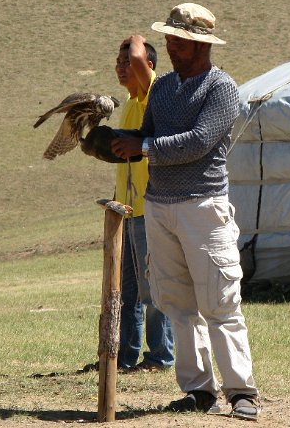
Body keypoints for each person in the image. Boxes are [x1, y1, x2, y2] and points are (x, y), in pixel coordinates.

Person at [111, 3, 260, 420]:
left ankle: (241, 392)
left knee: (220, 302)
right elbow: (147, 135)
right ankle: (198, 390)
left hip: (203, 207)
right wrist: (114, 140)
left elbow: (198, 141)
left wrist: (142, 147)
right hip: (159, 206)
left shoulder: (221, 89)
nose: (173, 47)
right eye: (171, 39)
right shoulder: (161, 89)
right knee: (176, 302)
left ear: (202, 44)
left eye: (182, 41)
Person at [114, 35, 175, 373]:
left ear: (147, 66)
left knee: (153, 290)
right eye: (117, 63)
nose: (121, 68)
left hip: (148, 211)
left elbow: (139, 59)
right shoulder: (128, 102)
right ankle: (123, 357)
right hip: (125, 211)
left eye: (127, 63)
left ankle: (161, 356)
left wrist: (136, 40)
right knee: (127, 293)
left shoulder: (153, 95)